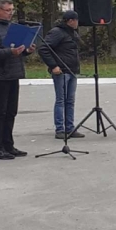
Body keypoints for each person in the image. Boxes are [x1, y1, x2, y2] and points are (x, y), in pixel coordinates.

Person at [0, 0, 35, 160]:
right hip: (0, 75)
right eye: (7, 10)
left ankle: (8, 145)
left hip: (13, 73)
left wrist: (26, 50)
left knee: (11, 111)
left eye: (12, 10)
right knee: (0, 111)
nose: (10, 13)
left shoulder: (11, 26)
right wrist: (9, 52)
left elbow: (16, 48)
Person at [38, 10, 84, 140]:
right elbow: (43, 49)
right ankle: (60, 129)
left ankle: (70, 128)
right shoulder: (57, 32)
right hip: (61, 71)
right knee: (61, 100)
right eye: (76, 20)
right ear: (70, 21)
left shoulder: (71, 33)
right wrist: (53, 65)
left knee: (70, 101)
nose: (77, 23)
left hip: (72, 71)